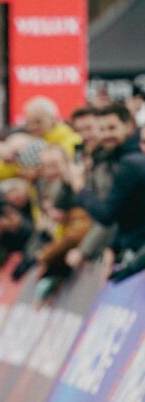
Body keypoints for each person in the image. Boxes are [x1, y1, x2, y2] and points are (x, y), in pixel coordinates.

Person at [68, 104, 145, 280]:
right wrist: (113, 246)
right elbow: (125, 211)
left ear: (129, 125)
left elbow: (106, 213)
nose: (106, 135)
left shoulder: (131, 163)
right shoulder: (113, 158)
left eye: (112, 128)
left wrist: (79, 187)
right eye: (102, 129)